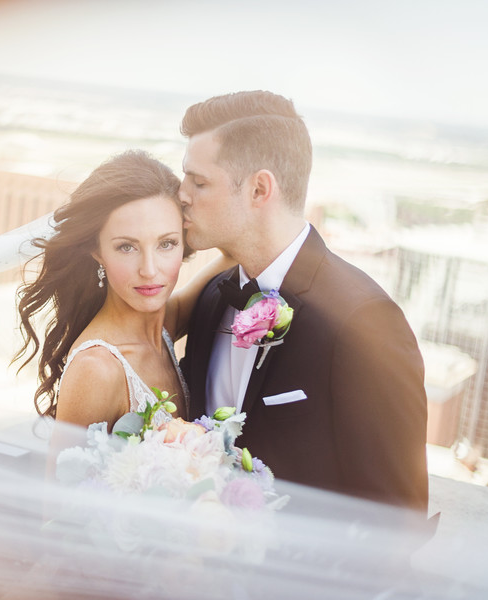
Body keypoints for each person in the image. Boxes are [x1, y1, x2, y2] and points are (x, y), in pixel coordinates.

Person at [177, 91, 429, 512]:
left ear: (259, 189)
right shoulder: (211, 297)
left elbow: (396, 514)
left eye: (198, 182)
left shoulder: (365, 323)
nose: (181, 194)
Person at [15, 149, 233, 431]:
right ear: (97, 250)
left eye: (166, 243)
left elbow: (238, 249)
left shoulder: (163, 323)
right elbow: (61, 475)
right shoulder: (96, 369)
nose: (150, 270)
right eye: (126, 247)